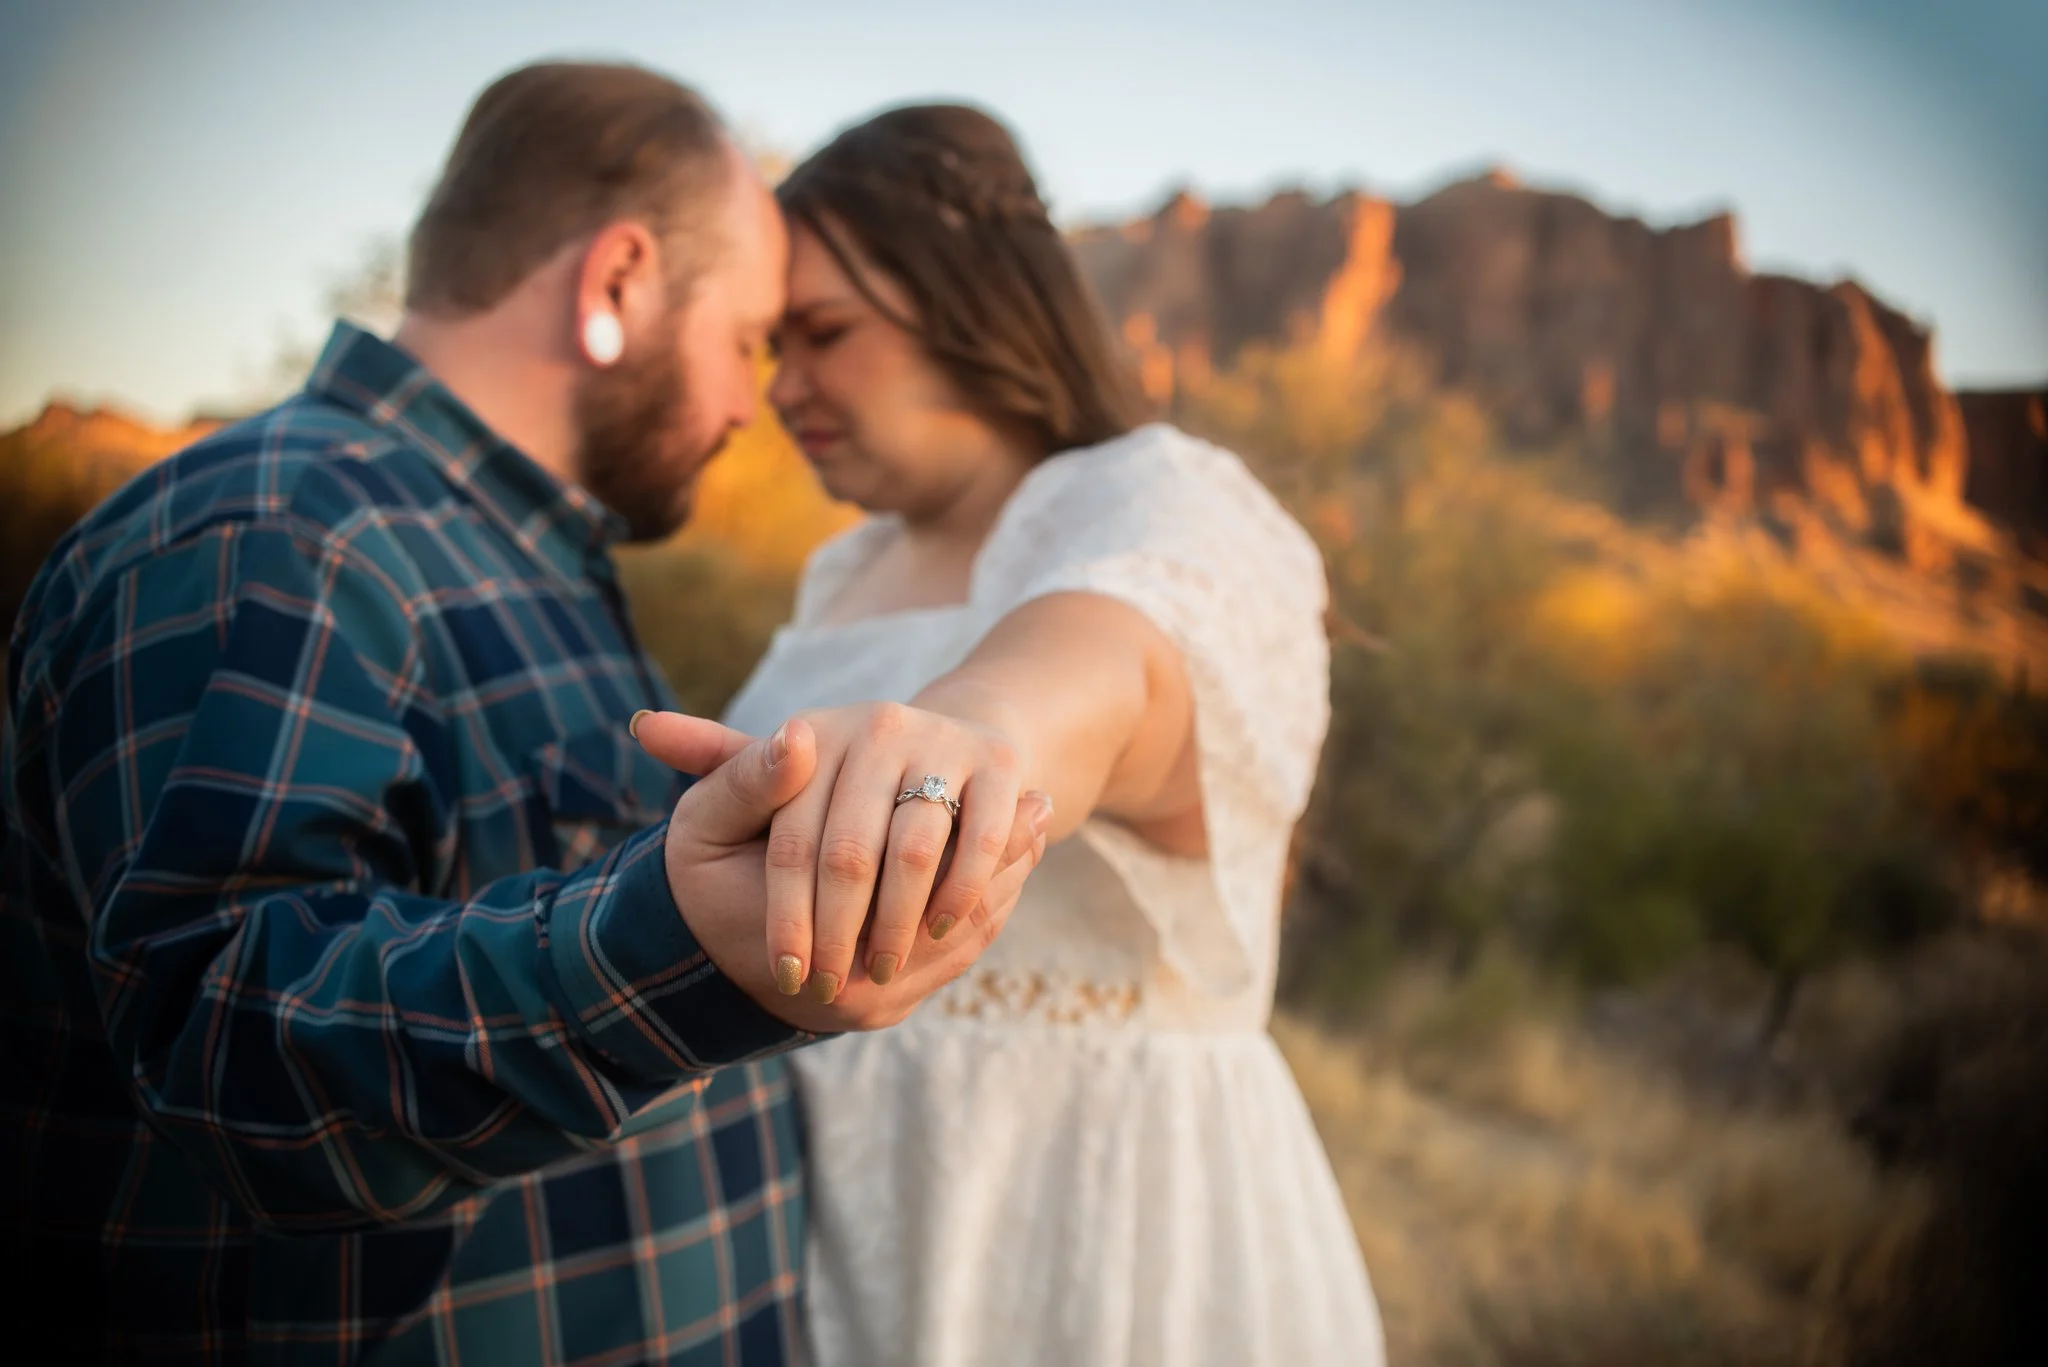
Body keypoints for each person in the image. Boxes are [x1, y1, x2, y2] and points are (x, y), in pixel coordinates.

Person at [0, 64, 1048, 1364]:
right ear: (617, 282)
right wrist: (664, 945)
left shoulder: (511, 558)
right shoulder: (279, 530)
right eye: (746, 338)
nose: (749, 400)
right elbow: (229, 1051)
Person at [705, 102, 1386, 1365]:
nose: (783, 386)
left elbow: (1115, 656)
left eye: (825, 333)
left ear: (968, 299)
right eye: (769, 345)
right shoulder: (839, 572)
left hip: (1103, 1230)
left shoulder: (1160, 496)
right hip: (846, 1232)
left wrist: (971, 735)